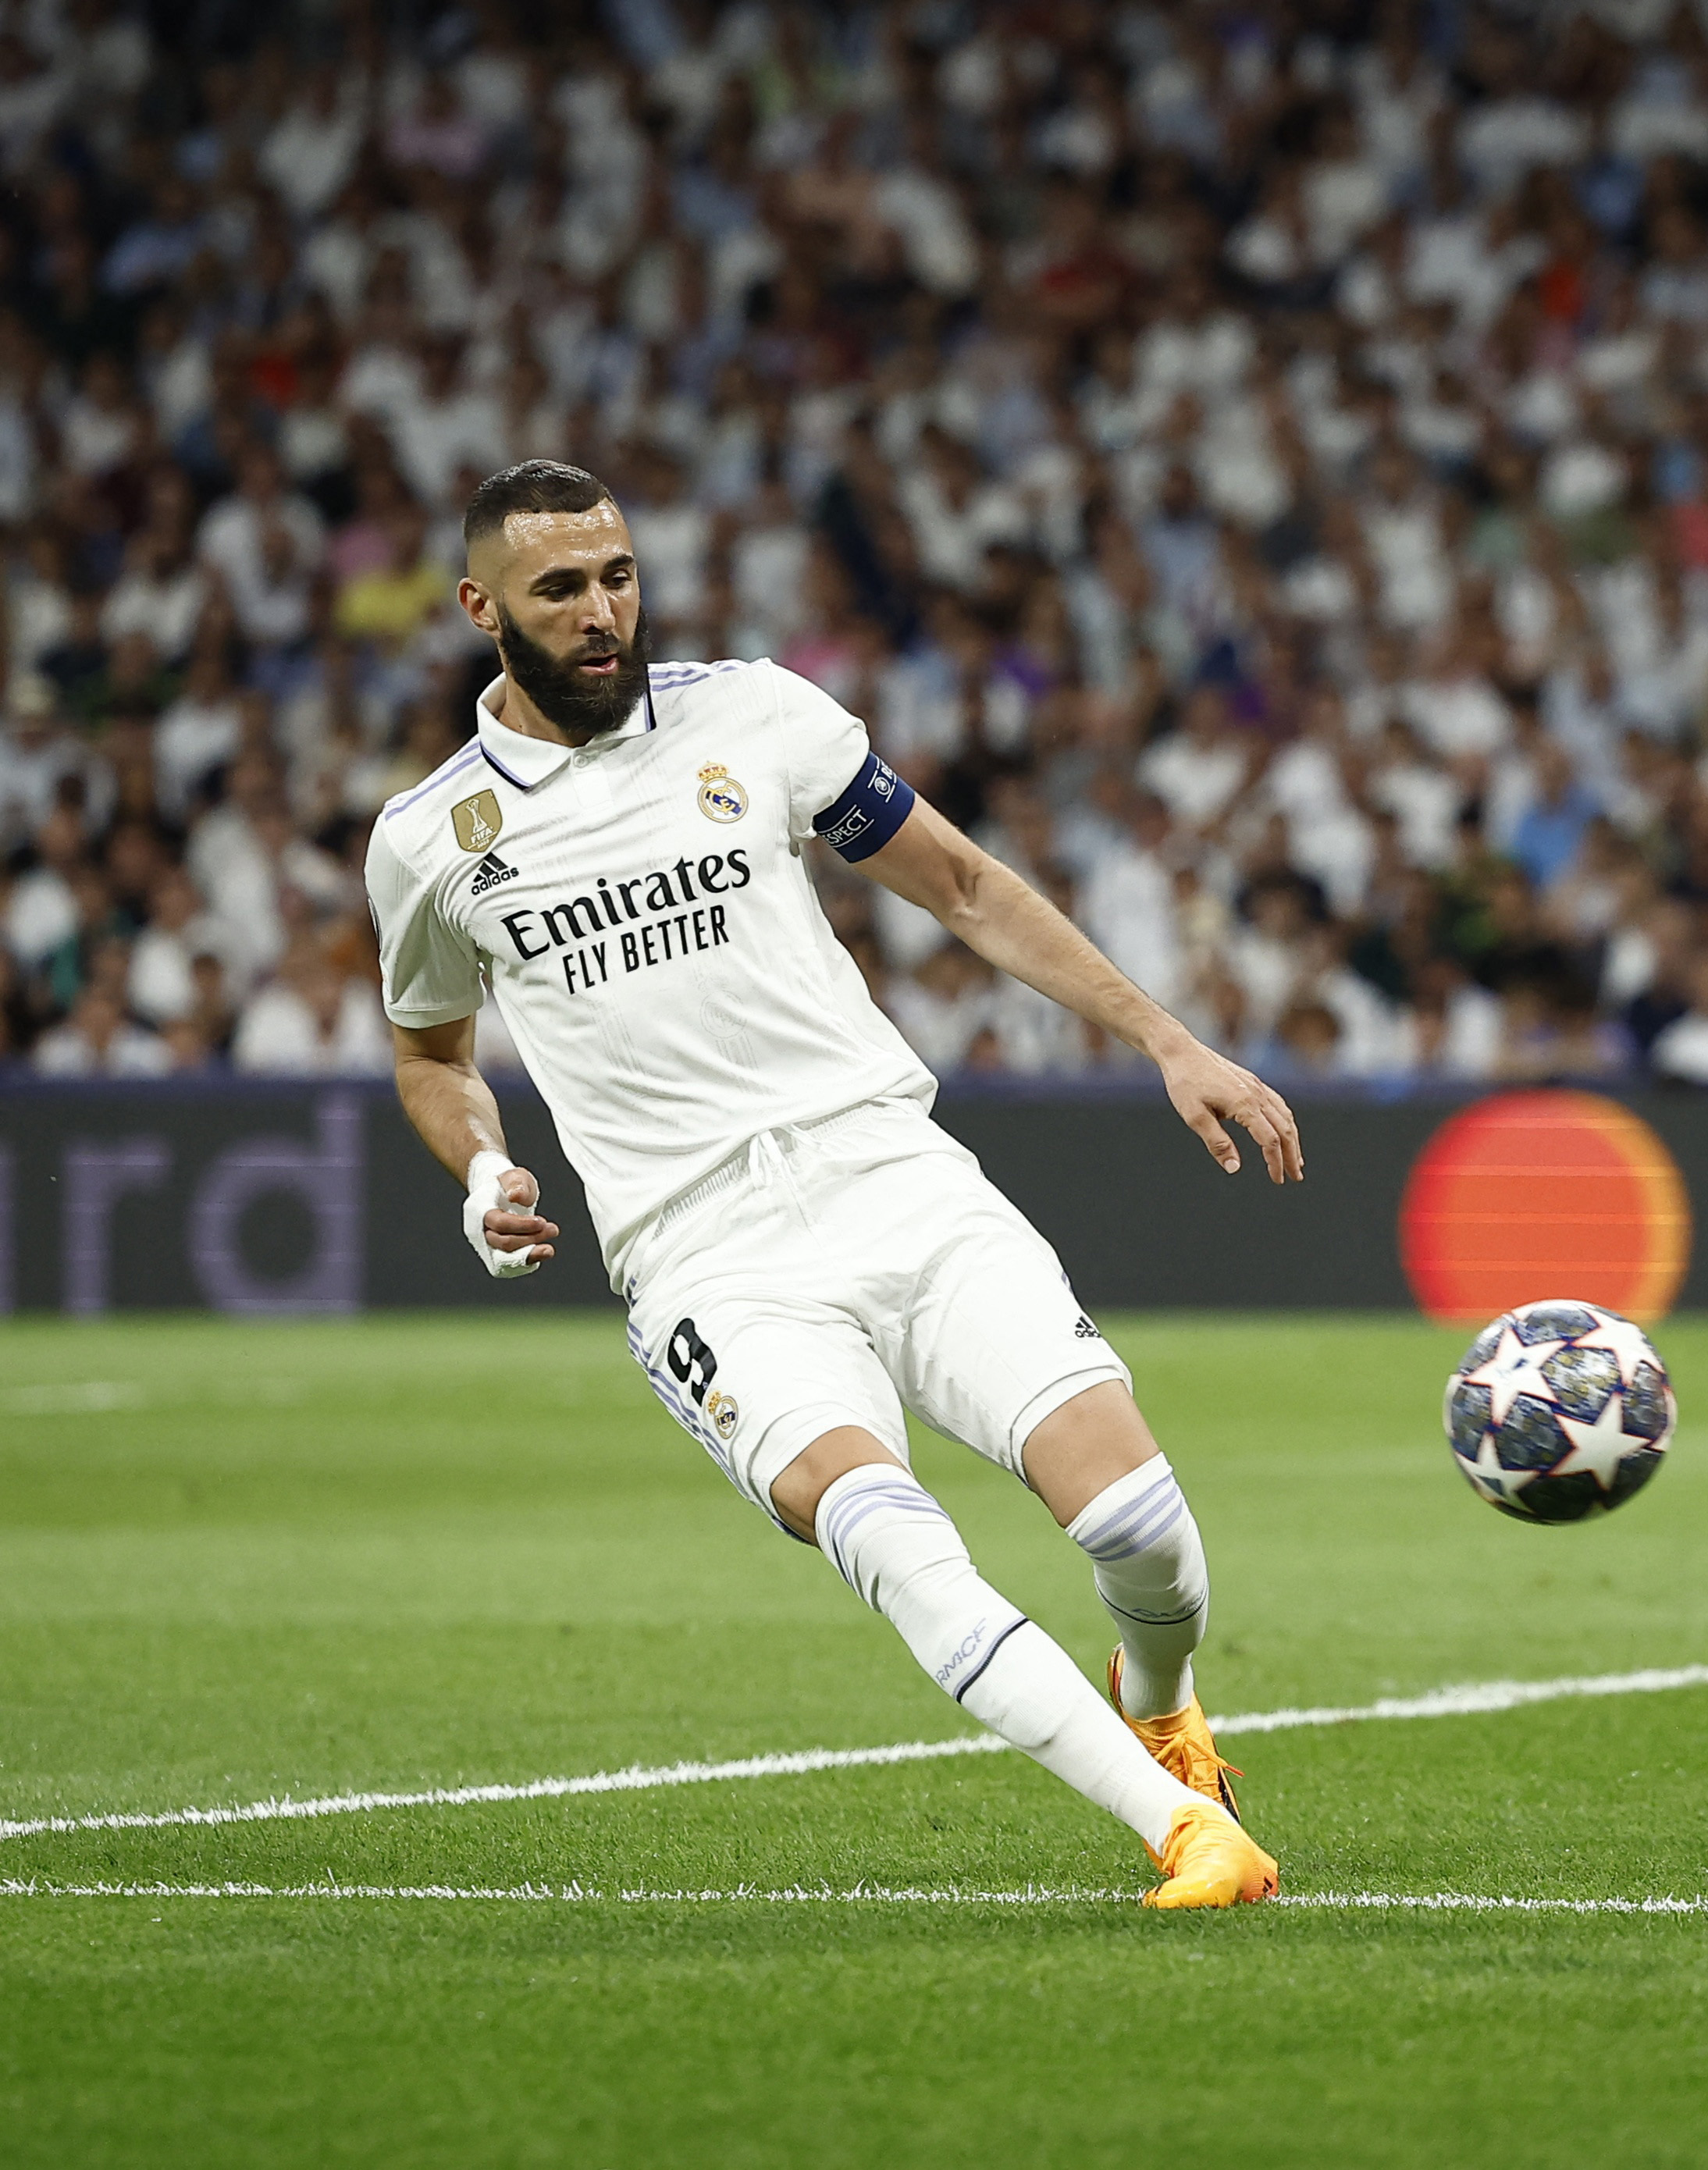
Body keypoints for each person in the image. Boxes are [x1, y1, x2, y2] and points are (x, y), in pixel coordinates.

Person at [368, 462, 1298, 1909]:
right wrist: (484, 1161)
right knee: (887, 1534)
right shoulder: (430, 842)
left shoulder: (758, 715)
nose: (603, 609)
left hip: (891, 1174)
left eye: (617, 572)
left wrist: (1167, 1042)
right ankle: (1181, 1832)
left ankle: (1164, 1701)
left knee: (1137, 1529)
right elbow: (431, 1057)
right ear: (483, 607)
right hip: (702, 1257)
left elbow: (968, 889)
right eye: (561, 588)